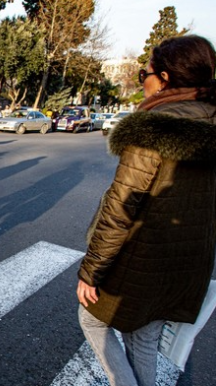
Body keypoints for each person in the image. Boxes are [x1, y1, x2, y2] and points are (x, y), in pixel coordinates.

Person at [76, 35, 216, 386]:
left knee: (90, 317)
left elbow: (121, 205)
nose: (142, 80)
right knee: (144, 337)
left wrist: (91, 270)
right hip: (190, 260)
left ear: (165, 78)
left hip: (145, 259)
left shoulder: (152, 128)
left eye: (145, 72)